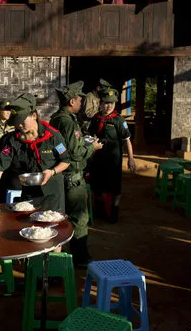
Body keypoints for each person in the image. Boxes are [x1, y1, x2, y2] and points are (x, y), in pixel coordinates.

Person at [0, 93, 70, 212]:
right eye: (16, 122)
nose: (19, 125)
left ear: (34, 115)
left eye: (22, 121)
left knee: (53, 225)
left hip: (52, 192)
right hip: (29, 192)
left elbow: (65, 160)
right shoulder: (12, 140)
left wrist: (52, 171)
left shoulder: (53, 136)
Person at [50, 81, 103, 267]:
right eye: (80, 98)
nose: (82, 101)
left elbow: (61, 147)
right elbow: (74, 153)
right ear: (72, 101)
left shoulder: (56, 118)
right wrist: (92, 148)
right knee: (79, 218)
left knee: (60, 217)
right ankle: (80, 259)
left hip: (59, 175)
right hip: (72, 176)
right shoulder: (68, 122)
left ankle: (58, 256)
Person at [87, 87, 136, 223]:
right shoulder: (96, 119)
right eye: (106, 103)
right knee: (97, 185)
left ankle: (114, 211)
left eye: (112, 103)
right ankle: (100, 210)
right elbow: (90, 136)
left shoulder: (118, 120)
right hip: (97, 159)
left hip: (113, 160)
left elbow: (127, 140)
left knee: (114, 187)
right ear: (100, 103)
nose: (108, 106)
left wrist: (131, 159)